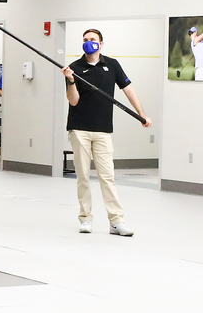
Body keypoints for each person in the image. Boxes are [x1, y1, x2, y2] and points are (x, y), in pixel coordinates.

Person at [61, 29, 152, 236]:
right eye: (85, 40)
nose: (88, 43)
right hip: (79, 128)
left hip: (103, 130)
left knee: (107, 176)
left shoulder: (112, 65)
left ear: (101, 44)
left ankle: (116, 221)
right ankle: (86, 219)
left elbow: (128, 89)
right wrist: (71, 80)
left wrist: (142, 114)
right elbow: (73, 100)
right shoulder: (74, 68)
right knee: (83, 176)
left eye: (92, 40)